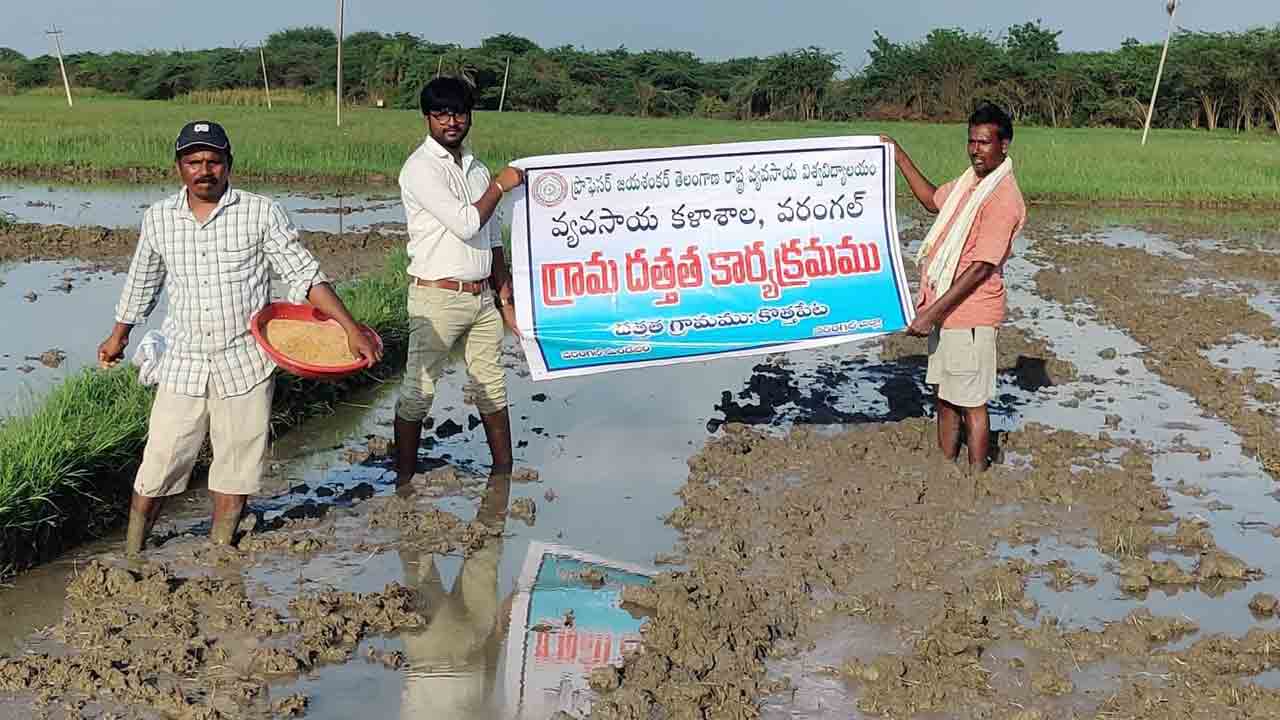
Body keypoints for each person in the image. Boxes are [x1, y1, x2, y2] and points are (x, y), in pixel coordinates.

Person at [98, 120, 381, 555]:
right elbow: (143, 282)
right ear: (179, 167)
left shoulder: (261, 212)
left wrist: (350, 328)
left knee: (235, 469)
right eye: (194, 162)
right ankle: (133, 554)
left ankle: (221, 552)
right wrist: (118, 336)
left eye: (213, 161)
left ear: (228, 164)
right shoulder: (159, 218)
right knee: (159, 463)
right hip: (184, 360)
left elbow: (304, 275)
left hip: (244, 361)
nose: (204, 171)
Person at [393, 77, 525, 484]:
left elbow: (492, 235)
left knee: (492, 386)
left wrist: (504, 297)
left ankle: (503, 476)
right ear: (427, 118)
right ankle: (403, 482)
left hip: (482, 297)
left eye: (459, 113)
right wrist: (500, 185)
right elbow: (468, 223)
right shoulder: (420, 168)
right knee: (419, 391)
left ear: (470, 117)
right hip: (438, 297)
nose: (451, 122)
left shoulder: (476, 167)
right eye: (441, 114)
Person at [881, 103, 1027, 471]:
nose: (976, 150)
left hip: (970, 316)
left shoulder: (1001, 198)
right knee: (945, 397)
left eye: (984, 143)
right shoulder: (969, 184)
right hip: (948, 313)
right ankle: (945, 469)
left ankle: (977, 479)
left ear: (1004, 145)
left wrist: (931, 313)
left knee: (972, 404)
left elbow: (980, 269)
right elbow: (932, 200)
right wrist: (898, 156)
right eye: (971, 141)